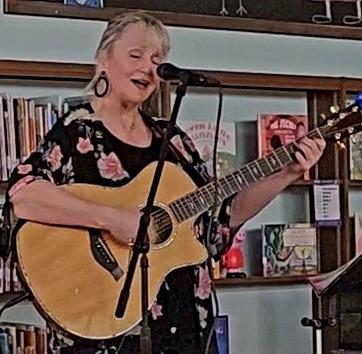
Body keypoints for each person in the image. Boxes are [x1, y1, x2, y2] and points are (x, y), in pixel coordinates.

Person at [3, 11, 326, 354]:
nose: (148, 67)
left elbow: (221, 221)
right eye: (136, 55)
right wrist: (113, 219)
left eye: (157, 59)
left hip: (184, 327)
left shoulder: (173, 141)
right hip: (104, 325)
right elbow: (24, 196)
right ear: (104, 61)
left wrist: (287, 173)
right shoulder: (77, 130)